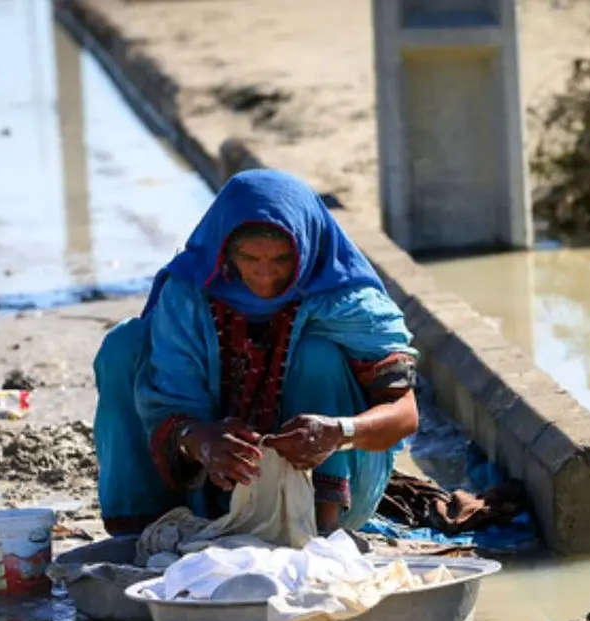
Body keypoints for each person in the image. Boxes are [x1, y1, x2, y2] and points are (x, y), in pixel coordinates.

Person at [92, 168, 420, 538]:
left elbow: (405, 413)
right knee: (125, 346)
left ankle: (322, 534)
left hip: (322, 492)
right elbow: (168, 404)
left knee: (320, 356)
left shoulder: (346, 301)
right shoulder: (189, 294)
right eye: (250, 258)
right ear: (225, 252)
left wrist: (339, 433)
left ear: (306, 247)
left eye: (281, 259)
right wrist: (202, 441)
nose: (265, 276)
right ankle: (144, 527)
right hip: (206, 489)